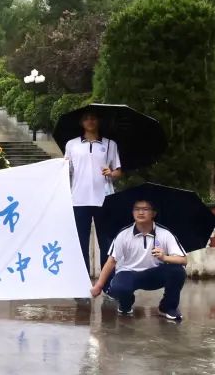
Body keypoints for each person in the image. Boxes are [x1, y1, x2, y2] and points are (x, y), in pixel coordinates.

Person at [90, 199, 188, 322]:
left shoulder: (165, 233)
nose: (140, 212)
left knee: (178, 271)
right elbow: (111, 261)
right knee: (118, 288)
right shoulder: (123, 234)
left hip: (154, 274)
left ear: (154, 213)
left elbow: (184, 260)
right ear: (132, 212)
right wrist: (99, 286)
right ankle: (126, 304)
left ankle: (167, 307)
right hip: (128, 273)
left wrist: (164, 257)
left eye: (145, 209)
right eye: (137, 209)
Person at [64, 110, 122, 274]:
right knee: (80, 242)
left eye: (93, 118)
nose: (90, 121)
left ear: (98, 121)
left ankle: (107, 282)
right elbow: (66, 169)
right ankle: (83, 282)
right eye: (86, 119)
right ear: (81, 122)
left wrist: (111, 173)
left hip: (104, 198)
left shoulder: (110, 144)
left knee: (106, 242)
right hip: (78, 199)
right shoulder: (71, 144)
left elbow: (118, 171)